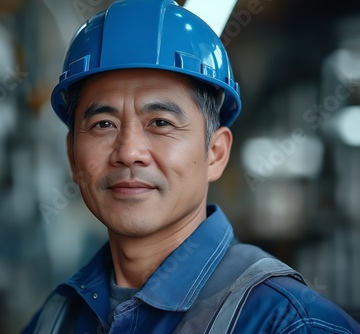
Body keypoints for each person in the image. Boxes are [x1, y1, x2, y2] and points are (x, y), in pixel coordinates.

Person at [22, 0, 360, 333]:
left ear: (215, 153)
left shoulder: (289, 324)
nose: (128, 152)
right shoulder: (56, 318)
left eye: (160, 122)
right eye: (103, 125)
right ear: (72, 155)